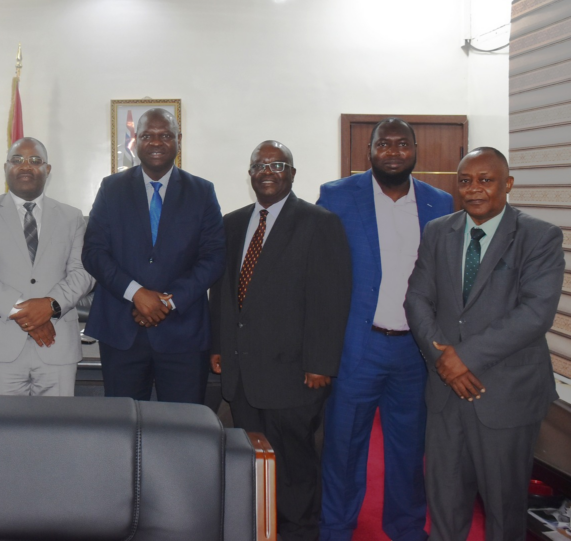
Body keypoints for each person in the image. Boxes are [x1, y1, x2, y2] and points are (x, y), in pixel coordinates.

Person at [406, 147, 564, 541]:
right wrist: (444, 360)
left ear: (507, 184)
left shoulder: (539, 236)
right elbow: (417, 299)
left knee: (503, 511)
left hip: (506, 395)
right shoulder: (438, 231)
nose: (473, 188)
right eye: (465, 181)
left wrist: (465, 358)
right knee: (444, 504)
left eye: (485, 180)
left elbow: (535, 313)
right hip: (445, 393)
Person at [317, 118, 453, 541]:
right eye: (383, 144)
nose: (393, 151)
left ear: (415, 150)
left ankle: (406, 527)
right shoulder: (337, 196)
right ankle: (336, 529)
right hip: (358, 346)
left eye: (402, 144)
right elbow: (318, 272)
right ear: (369, 151)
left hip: (415, 350)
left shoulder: (440, 203)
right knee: (343, 446)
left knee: (409, 449)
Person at [210, 140, 351, 541]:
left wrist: (321, 362)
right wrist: (218, 346)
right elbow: (222, 292)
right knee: (251, 463)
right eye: (260, 165)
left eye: (277, 165)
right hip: (243, 373)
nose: (267, 172)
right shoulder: (232, 223)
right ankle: (256, 529)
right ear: (250, 174)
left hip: (294, 374)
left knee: (294, 468)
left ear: (292, 173)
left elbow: (331, 298)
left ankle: (299, 533)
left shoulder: (319, 223)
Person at [83, 108, 225, 404]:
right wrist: (137, 294)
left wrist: (167, 302)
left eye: (165, 135)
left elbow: (213, 258)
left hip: (183, 333)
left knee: (184, 424)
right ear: (136, 140)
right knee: (123, 424)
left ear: (179, 140)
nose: (157, 142)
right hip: (121, 331)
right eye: (148, 136)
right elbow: (94, 252)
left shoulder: (202, 191)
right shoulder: (111, 188)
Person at [0, 137, 95, 396]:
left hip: (57, 344)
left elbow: (83, 273)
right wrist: (28, 314)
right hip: (0, 345)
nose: (26, 166)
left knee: (57, 421)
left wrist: (50, 306)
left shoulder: (72, 217)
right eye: (17, 160)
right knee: (3, 422)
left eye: (35, 160)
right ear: (5, 168)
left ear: (47, 169)